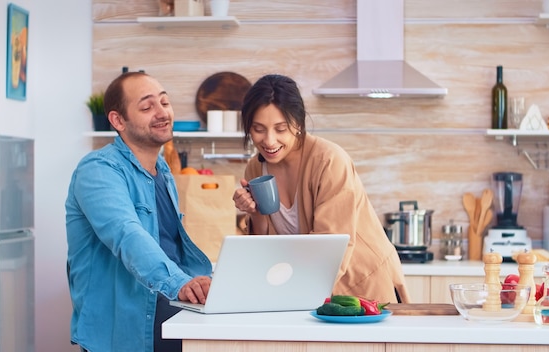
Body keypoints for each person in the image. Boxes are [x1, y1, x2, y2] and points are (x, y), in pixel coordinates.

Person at [65, 72, 212, 352]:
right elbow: (126, 234)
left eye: (165, 102)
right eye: (147, 107)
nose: (162, 113)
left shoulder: (163, 173)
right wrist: (181, 283)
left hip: (167, 312)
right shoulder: (98, 170)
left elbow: (170, 248)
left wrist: (202, 281)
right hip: (126, 331)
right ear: (118, 121)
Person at [232, 74, 411, 304]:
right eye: (258, 129)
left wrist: (297, 295)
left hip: (362, 287)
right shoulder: (255, 168)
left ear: (298, 123)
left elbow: (332, 243)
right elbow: (267, 248)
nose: (269, 140)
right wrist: (254, 211)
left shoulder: (329, 161)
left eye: (280, 128)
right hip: (311, 292)